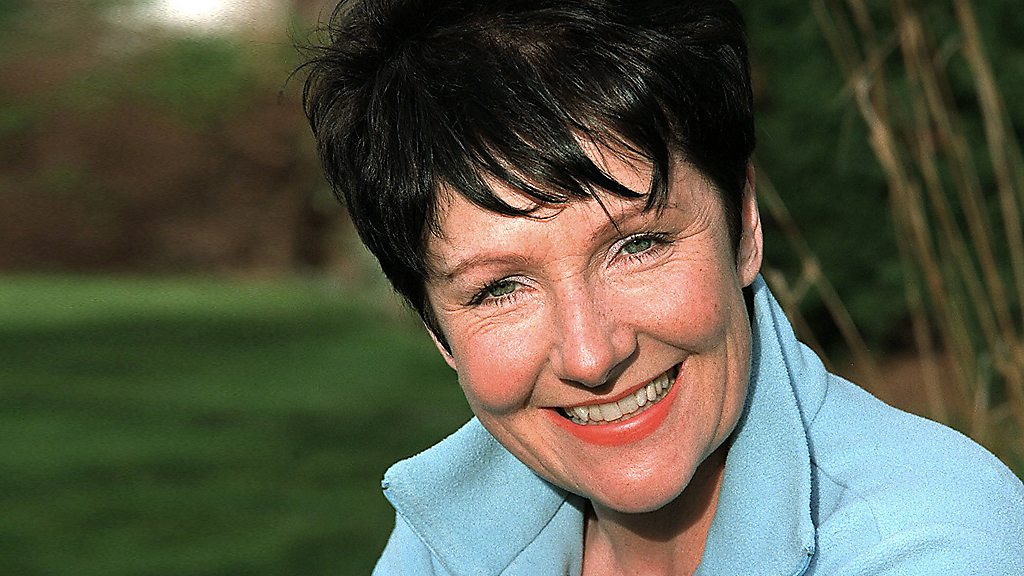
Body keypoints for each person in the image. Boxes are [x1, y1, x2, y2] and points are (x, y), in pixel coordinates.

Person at [300, 0, 1024, 573]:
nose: (591, 355)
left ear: (744, 224)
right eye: (499, 289)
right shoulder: (446, 541)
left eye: (637, 245)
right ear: (437, 329)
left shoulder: (933, 544)